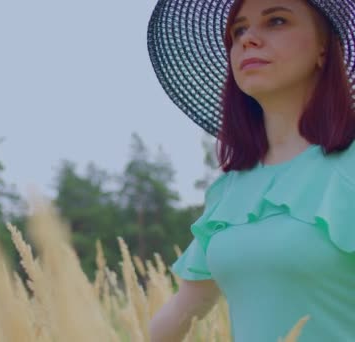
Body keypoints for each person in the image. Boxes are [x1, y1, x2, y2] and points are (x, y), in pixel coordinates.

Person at [146, 0, 355, 341]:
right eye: (239, 29)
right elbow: (179, 314)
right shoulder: (229, 189)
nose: (248, 39)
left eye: (276, 21)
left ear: (324, 47)